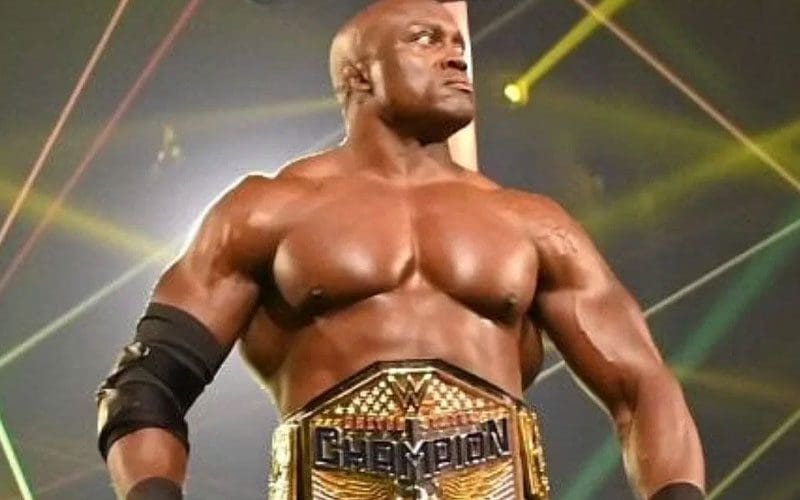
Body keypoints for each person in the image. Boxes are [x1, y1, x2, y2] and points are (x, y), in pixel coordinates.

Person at [95, 0, 706, 498]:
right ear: (359, 75)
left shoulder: (533, 223)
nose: (456, 55)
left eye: (457, 43)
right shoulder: (267, 211)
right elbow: (145, 386)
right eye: (425, 40)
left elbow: (643, 387)